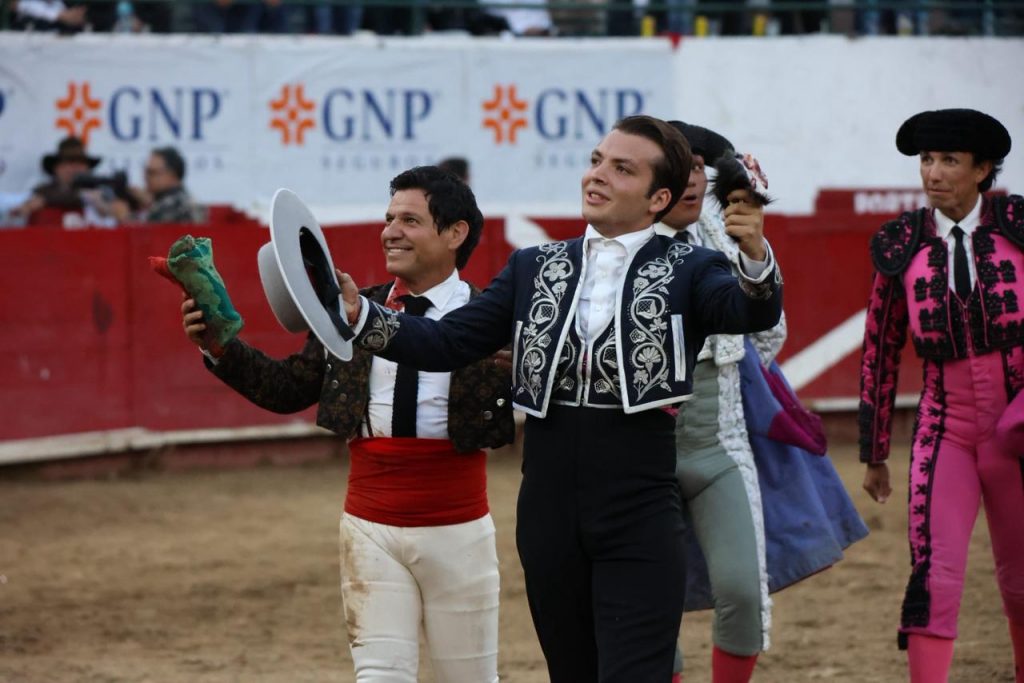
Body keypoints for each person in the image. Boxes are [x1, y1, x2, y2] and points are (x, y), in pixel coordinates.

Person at [337, 115, 784, 681]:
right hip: (547, 508)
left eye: (622, 169)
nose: (597, 175)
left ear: (658, 199)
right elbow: (449, 340)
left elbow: (748, 311)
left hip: (639, 503)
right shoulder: (534, 266)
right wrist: (361, 315)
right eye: (596, 161)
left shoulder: (692, 268)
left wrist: (754, 255)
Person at [181, 166, 514, 682]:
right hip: (369, 526)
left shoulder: (490, 319)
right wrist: (220, 346)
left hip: (460, 530)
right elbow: (288, 388)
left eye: (409, 220)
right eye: (389, 218)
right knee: (379, 676)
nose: (390, 231)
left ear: (455, 233)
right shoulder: (351, 311)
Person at [659, 121, 867, 683]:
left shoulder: (727, 238)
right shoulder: (614, 246)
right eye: (678, 166)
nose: (692, 180)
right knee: (649, 602)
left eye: (699, 168)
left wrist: (754, 254)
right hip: (638, 450)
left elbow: (766, 343)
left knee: (743, 592)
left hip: (719, 441)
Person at [858, 108, 1024, 682]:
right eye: (927, 160)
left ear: (982, 169)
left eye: (949, 160)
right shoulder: (902, 243)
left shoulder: (1019, 228)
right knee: (933, 577)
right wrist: (875, 451)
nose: (933, 172)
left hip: (1018, 431)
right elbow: (880, 346)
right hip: (943, 428)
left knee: (1022, 580)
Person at [9, 136, 100, 222]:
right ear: (57, 167)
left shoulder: (98, 192)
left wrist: (99, 203)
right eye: (70, 162)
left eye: (81, 163)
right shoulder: (42, 192)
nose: (76, 168)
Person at [110, 147, 205, 224]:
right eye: (146, 172)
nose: (146, 178)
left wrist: (124, 217)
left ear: (172, 175)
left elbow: (150, 235)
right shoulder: (179, 200)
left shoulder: (175, 204)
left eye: (152, 172)